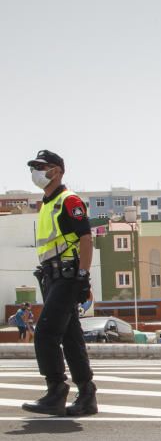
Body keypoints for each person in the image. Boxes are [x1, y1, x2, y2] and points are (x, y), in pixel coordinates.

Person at [21, 150, 99, 416]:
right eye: (34, 167)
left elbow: (86, 239)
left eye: (41, 167)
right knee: (70, 336)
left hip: (67, 277)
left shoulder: (69, 201)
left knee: (45, 333)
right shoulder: (46, 204)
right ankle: (87, 394)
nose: (37, 172)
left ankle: (56, 390)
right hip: (52, 277)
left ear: (57, 170)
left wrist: (83, 276)